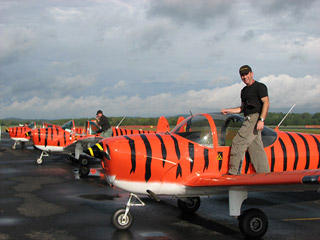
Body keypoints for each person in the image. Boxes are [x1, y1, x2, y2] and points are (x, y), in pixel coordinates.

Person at [221, 65, 270, 175]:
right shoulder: (243, 91)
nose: (245, 77)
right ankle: (265, 175)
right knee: (255, 147)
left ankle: (233, 173)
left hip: (254, 118)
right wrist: (228, 110)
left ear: (251, 73)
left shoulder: (260, 87)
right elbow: (242, 108)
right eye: (242, 75)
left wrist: (261, 120)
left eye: (246, 74)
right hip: (247, 118)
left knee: (238, 142)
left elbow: (266, 103)